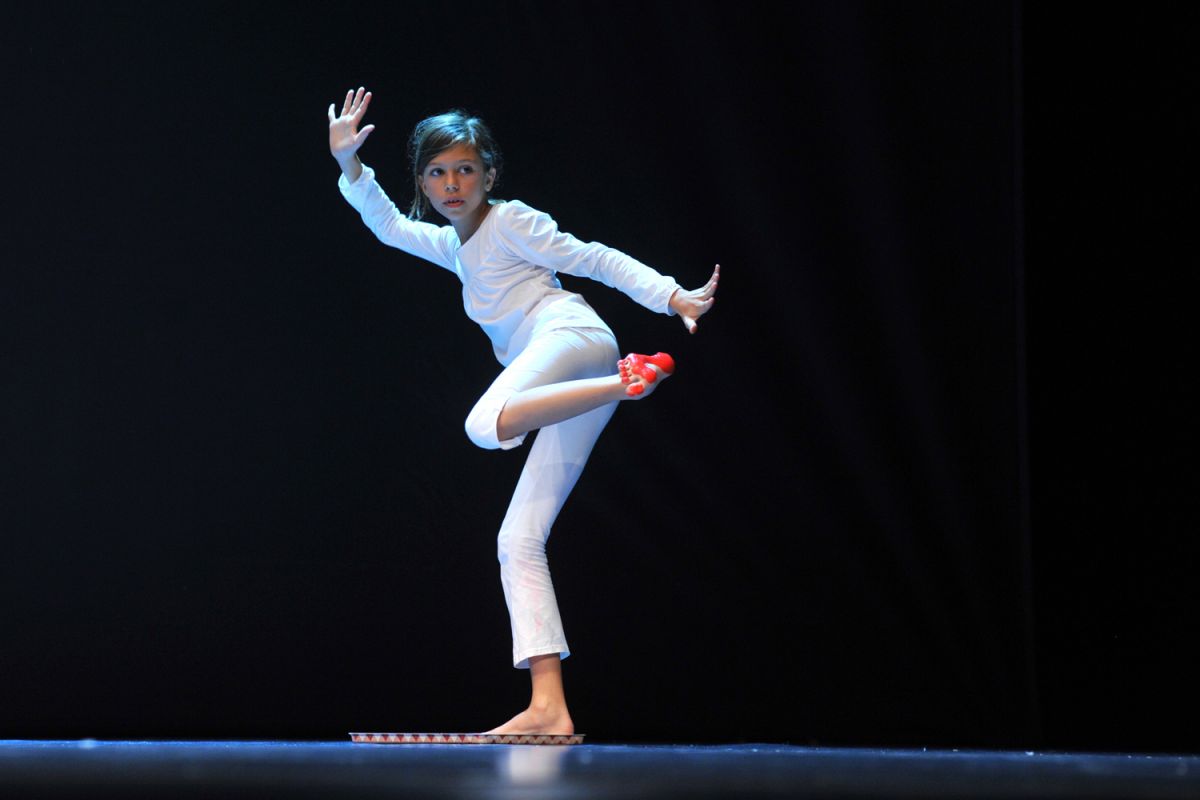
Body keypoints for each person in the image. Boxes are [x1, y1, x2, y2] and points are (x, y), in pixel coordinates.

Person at [327, 87, 718, 736]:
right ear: (423, 182)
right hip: (576, 382)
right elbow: (389, 227)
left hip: (571, 340)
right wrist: (349, 162)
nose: (452, 184)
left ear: (490, 175)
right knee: (517, 540)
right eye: (437, 172)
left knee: (483, 424)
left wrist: (670, 295)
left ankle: (624, 384)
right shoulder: (455, 247)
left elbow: (589, 257)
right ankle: (549, 707)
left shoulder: (511, 221)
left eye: (465, 170)